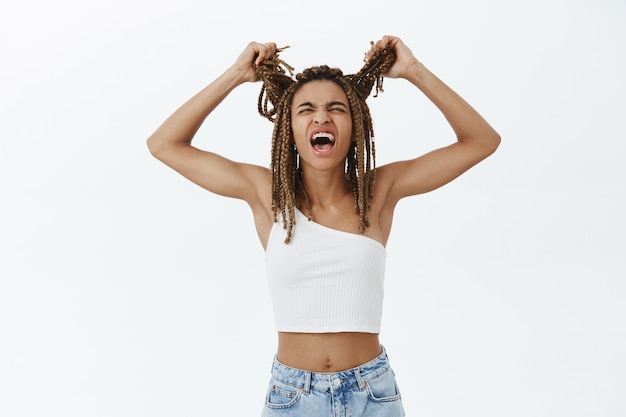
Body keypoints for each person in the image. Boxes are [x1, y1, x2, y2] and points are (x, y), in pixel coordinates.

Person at [147, 35, 500, 417]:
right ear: (289, 127)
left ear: (356, 125)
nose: (321, 118)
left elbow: (482, 141)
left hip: (373, 396)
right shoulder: (267, 195)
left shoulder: (379, 193)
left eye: (337, 108)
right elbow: (164, 144)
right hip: (293, 397)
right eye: (306, 110)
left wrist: (413, 71)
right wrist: (235, 75)